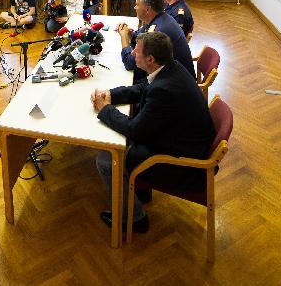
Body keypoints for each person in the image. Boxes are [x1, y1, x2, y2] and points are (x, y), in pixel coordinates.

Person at [92, 31, 215, 233]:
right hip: (182, 140)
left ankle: (133, 219)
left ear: (150, 59)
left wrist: (105, 110)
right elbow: (142, 89)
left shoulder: (164, 89)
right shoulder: (171, 68)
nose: (132, 53)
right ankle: (142, 191)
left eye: (136, 51)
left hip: (182, 164)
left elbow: (135, 131)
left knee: (106, 159)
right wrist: (111, 95)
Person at [117, 0, 194, 78]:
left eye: (137, 5)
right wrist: (129, 34)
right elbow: (140, 37)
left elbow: (129, 63)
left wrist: (124, 37)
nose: (135, 7)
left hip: (173, 83)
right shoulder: (159, 17)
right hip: (169, 74)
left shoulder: (158, 31)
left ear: (147, 9)